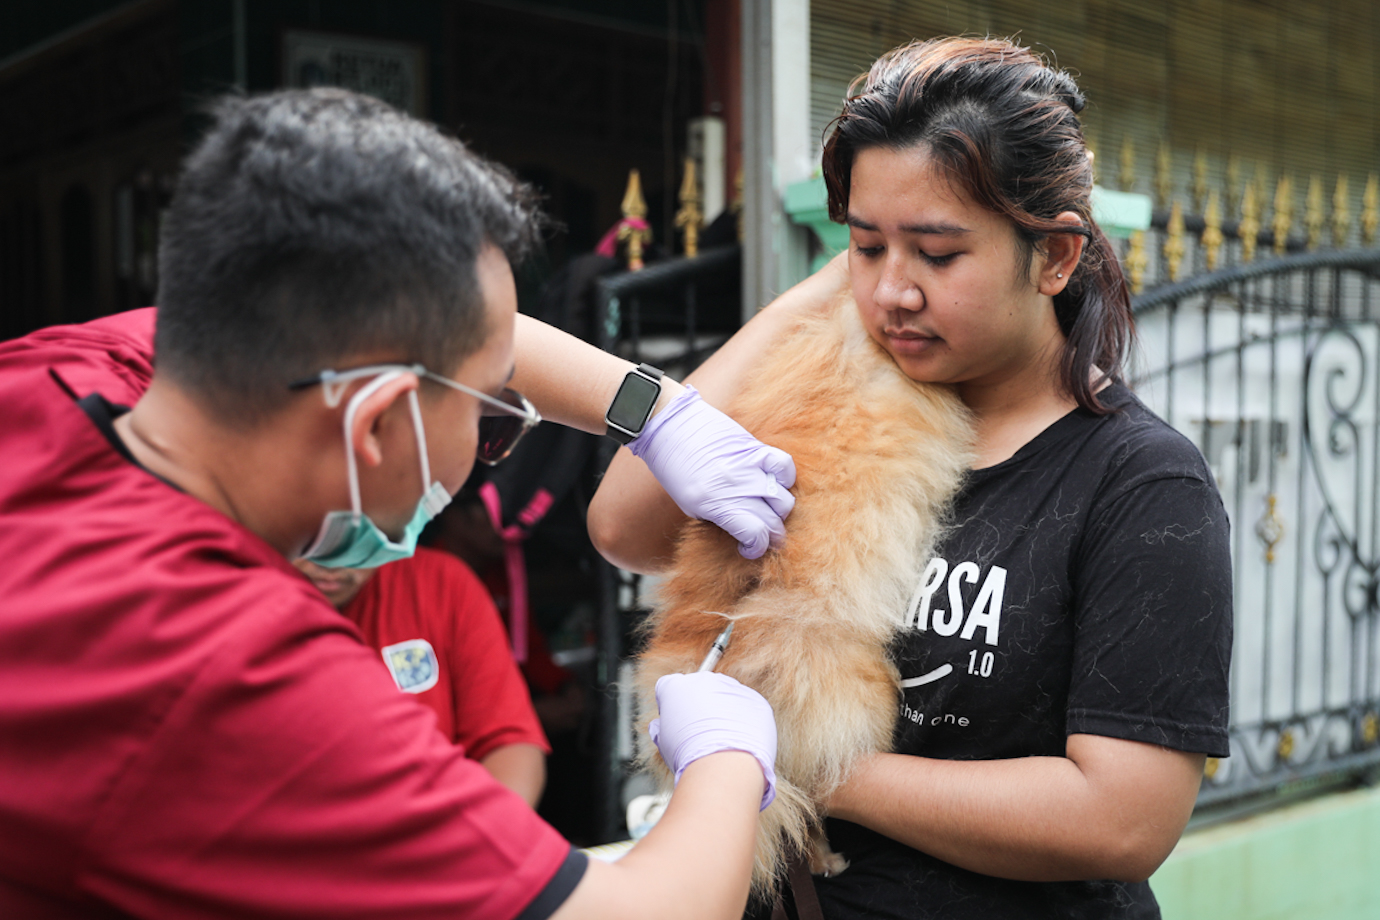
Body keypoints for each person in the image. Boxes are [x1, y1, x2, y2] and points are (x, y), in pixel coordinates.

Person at [0, 88, 795, 920]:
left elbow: (456, 335)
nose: (489, 442)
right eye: (490, 417)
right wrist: (727, 756)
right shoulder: (230, 670)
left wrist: (654, 411)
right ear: (375, 423)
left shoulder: (74, 377)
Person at [587, 37, 1232, 920]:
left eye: (937, 254)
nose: (893, 292)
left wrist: (809, 767)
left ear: (1053, 258)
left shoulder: (1140, 483)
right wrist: (821, 291)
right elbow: (624, 526)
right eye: (865, 245)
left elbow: (1120, 819)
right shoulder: (833, 400)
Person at [295, 549, 550, 807]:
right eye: (311, 537)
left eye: (355, 531)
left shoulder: (440, 584)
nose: (331, 558)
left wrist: (484, 836)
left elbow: (508, 743)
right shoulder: (258, 604)